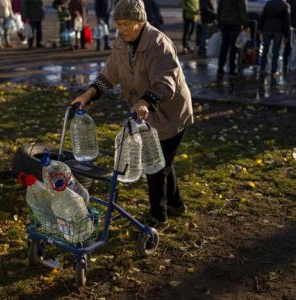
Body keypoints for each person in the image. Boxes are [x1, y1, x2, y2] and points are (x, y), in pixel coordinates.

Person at [71, 0, 194, 232]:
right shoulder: (121, 44)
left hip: (170, 112)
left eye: (127, 23)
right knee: (163, 162)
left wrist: (147, 101)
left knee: (155, 166)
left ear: (141, 21)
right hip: (144, 113)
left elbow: (166, 83)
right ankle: (176, 204)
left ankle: (159, 218)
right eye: (119, 24)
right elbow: (109, 75)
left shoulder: (159, 44)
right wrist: (88, 95)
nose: (123, 29)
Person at [259, 0, 291, 78]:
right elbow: (286, 21)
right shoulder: (284, 5)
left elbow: (263, 16)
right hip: (278, 30)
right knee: (275, 52)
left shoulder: (268, 3)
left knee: (265, 50)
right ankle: (274, 70)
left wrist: (260, 28)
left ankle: (262, 69)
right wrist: (287, 35)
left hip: (267, 28)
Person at [217, 0, 247, 76]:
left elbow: (219, 8)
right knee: (234, 48)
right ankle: (232, 68)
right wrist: (245, 23)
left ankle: (220, 67)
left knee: (224, 46)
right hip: (235, 24)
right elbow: (242, 10)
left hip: (224, 23)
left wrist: (219, 22)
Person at [283, 0, 296, 72]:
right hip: (292, 27)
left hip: (290, 27)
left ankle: (286, 65)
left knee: (289, 47)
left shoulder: (288, 2)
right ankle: (292, 67)